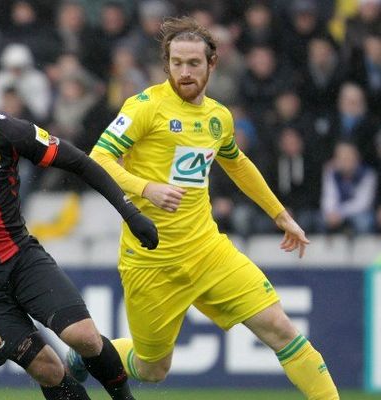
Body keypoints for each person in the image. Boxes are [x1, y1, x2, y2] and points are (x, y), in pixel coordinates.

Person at [66, 16, 339, 399]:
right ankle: (92, 349)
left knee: (280, 328)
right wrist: (147, 188)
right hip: (152, 260)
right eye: (176, 63)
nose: (184, 71)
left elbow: (237, 163)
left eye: (193, 63)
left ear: (212, 63)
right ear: (167, 64)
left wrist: (281, 215)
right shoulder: (145, 106)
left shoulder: (218, 117)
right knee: (152, 368)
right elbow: (99, 158)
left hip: (207, 251)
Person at [0, 58, 158, 400]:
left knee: (85, 338)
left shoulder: (9, 132)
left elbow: (78, 161)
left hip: (20, 259)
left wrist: (130, 212)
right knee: (48, 368)